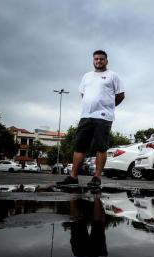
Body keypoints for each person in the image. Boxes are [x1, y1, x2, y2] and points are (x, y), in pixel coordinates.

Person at [57, 50, 125, 187]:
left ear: (106, 61)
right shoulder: (86, 76)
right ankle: (73, 177)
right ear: (93, 61)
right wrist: (91, 105)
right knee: (79, 146)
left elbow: (121, 95)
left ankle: (97, 178)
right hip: (86, 116)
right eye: (96, 59)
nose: (98, 61)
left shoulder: (113, 76)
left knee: (100, 147)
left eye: (101, 59)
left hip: (104, 117)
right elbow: (84, 94)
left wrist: (108, 107)